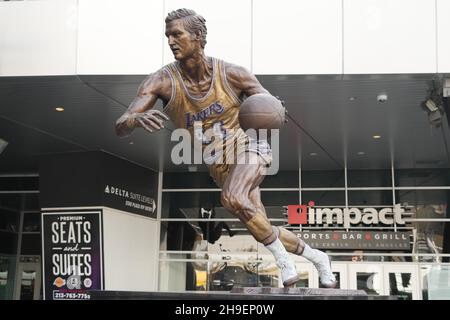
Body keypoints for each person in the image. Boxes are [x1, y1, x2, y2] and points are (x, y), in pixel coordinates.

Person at [116, 8, 336, 288]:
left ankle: (284, 263)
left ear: (198, 37)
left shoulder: (232, 74)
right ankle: (318, 258)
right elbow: (120, 125)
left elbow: (269, 106)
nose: (171, 41)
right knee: (259, 225)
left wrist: (275, 109)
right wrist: (135, 119)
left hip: (249, 147)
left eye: (177, 34)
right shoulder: (161, 81)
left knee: (231, 198)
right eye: (167, 36)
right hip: (218, 163)